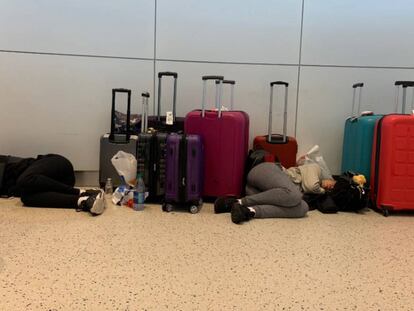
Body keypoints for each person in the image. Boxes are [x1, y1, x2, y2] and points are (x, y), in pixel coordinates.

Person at [215, 162, 336, 224]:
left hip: (260, 192)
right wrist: (323, 191)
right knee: (294, 195)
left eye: (331, 189)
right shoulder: (315, 168)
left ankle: (249, 211)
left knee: (304, 208)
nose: (330, 187)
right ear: (331, 177)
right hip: (263, 171)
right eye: (333, 184)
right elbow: (311, 185)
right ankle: (238, 201)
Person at [0, 154, 105, 215]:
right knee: (26, 198)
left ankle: (81, 192)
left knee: (25, 180)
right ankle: (85, 200)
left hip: (56, 165)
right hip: (52, 187)